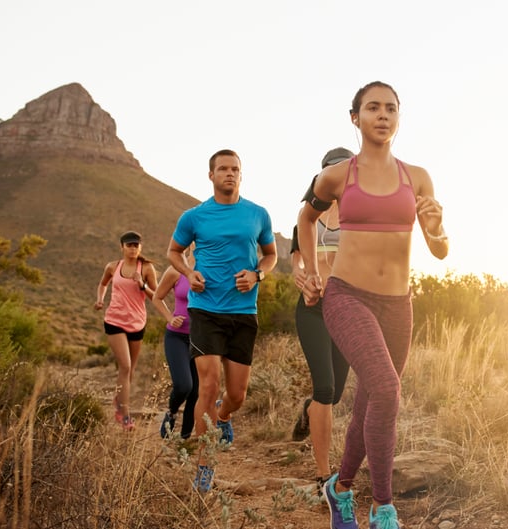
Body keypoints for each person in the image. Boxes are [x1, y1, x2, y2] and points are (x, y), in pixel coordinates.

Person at [298, 82, 448, 529]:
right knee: (386, 389)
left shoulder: (417, 177)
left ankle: (340, 489)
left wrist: (436, 230)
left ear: (398, 118)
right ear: (355, 118)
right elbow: (305, 219)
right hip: (346, 296)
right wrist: (312, 272)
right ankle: (384, 509)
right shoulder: (338, 176)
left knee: (370, 400)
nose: (382, 115)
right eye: (372, 108)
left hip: (398, 305)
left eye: (391, 109)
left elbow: (439, 251)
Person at [167, 149, 278, 493]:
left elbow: (271, 255)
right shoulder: (194, 216)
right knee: (208, 384)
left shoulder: (258, 214)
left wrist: (258, 274)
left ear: (241, 175)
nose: (230, 174)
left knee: (237, 394)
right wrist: (189, 271)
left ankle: (225, 416)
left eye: (235, 169)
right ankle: (205, 464)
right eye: (223, 169)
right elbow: (174, 251)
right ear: (211, 175)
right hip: (205, 310)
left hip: (243, 312)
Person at [290, 147, 354, 494]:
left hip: (348, 311)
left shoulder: (359, 218)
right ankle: (323, 474)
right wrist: (302, 277)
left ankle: (308, 409)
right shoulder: (308, 215)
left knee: (336, 393)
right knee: (325, 389)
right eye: (332, 170)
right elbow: (296, 262)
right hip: (313, 309)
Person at [94, 231, 158, 432]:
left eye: (136, 245)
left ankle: (118, 401)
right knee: (125, 366)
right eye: (129, 245)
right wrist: (100, 299)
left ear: (141, 247)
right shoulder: (113, 267)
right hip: (114, 320)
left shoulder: (147, 268)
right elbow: (103, 284)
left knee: (130, 371)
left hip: (137, 323)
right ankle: (125, 416)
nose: (133, 248)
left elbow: (156, 295)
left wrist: (142, 284)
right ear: (122, 246)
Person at [152, 244, 197, 439]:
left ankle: (185, 437)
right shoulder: (176, 270)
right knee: (184, 385)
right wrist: (170, 318)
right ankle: (171, 412)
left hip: (201, 339)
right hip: (177, 336)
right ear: (192, 243)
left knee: (196, 392)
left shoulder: (212, 270)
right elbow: (157, 297)